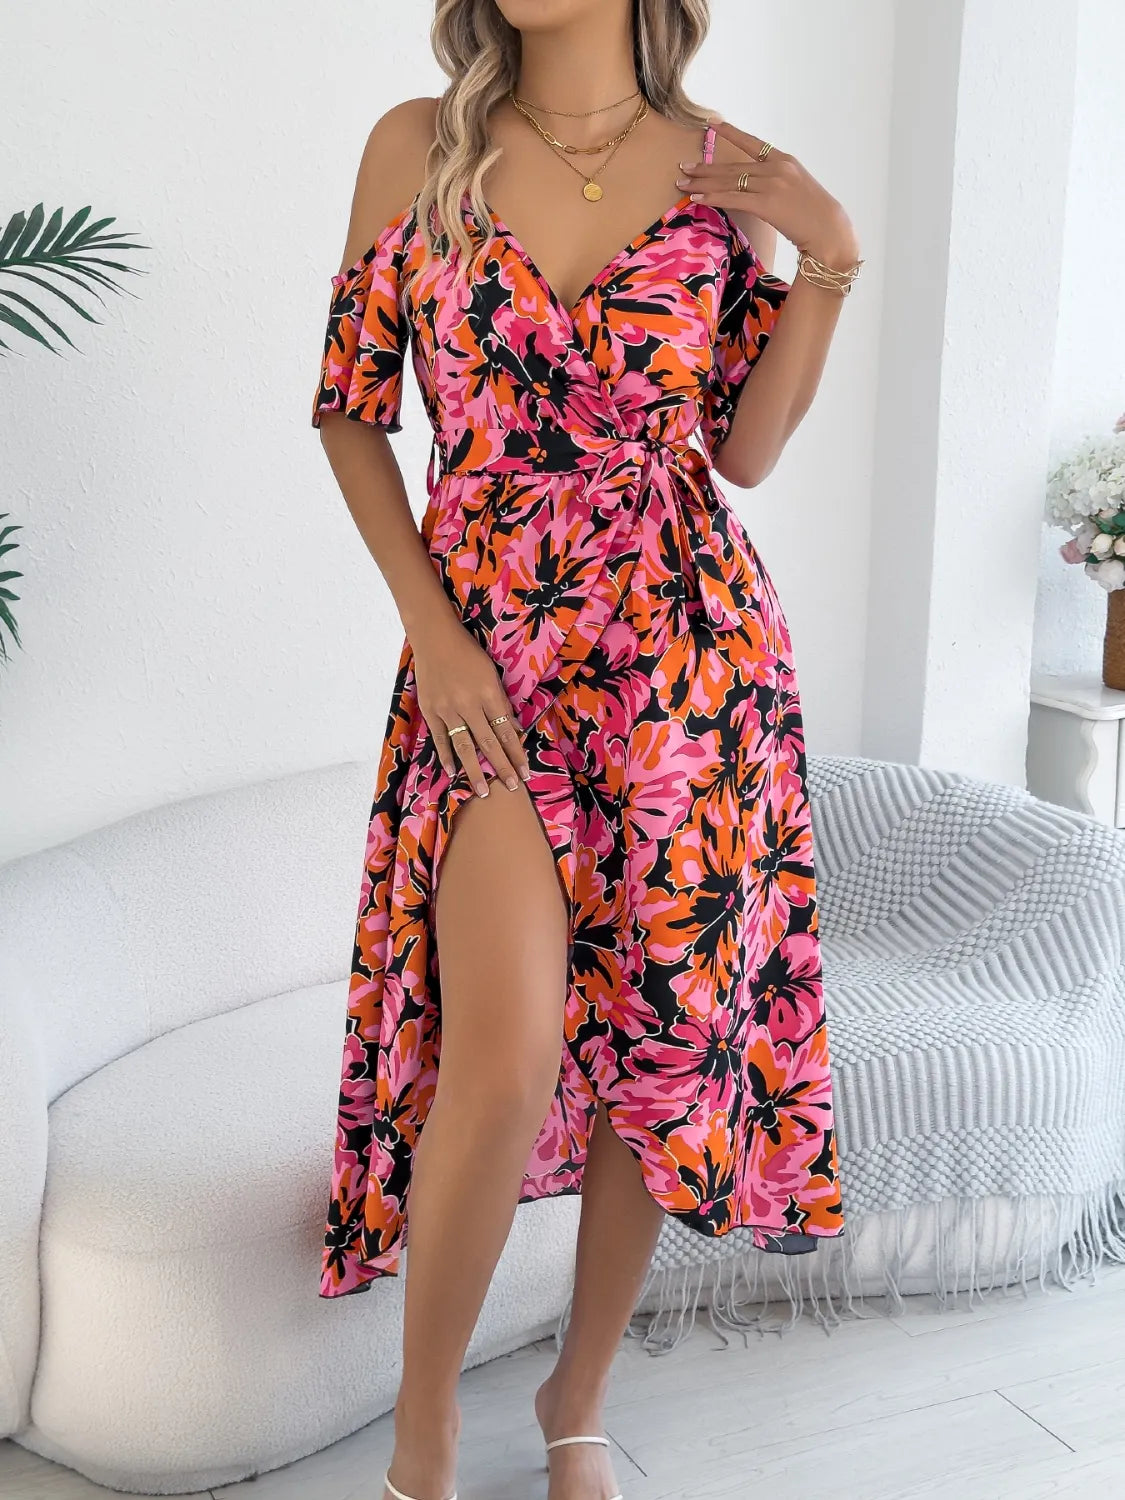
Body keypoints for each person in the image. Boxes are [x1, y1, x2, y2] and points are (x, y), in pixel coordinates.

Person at [311, 3, 861, 1497]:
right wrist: (431, 635)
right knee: (502, 1056)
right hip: (488, 660)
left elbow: (742, 452)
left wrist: (827, 256)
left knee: (663, 1049)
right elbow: (351, 414)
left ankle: (578, 1394)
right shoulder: (418, 148)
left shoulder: (725, 170)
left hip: (690, 666)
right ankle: (424, 1431)